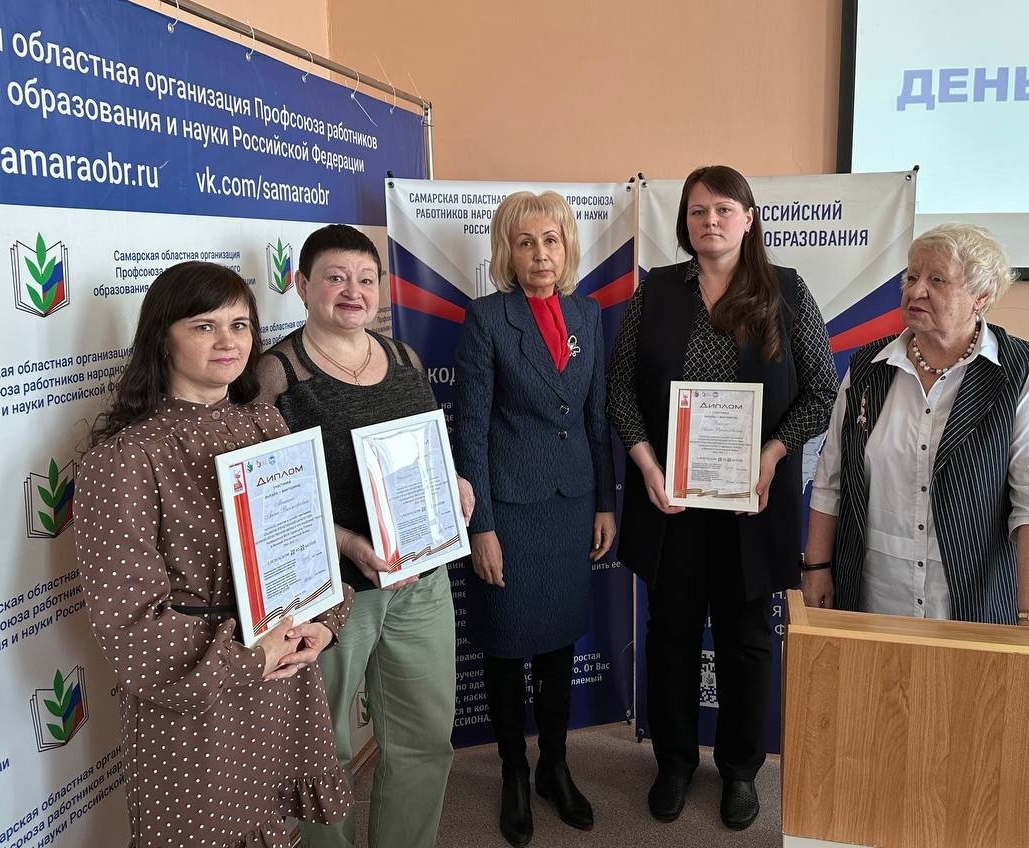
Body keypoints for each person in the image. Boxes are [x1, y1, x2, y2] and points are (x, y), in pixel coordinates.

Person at [76, 261, 353, 848]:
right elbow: (130, 626)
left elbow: (307, 545)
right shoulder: (125, 458)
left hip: (283, 676)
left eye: (240, 324)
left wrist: (325, 620)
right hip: (198, 702)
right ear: (162, 339)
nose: (228, 341)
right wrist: (250, 656)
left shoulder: (266, 422)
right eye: (204, 326)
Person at [606, 165, 838, 831]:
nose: (710, 221)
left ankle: (740, 770)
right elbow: (620, 386)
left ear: (749, 217)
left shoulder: (785, 290)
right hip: (670, 502)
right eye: (697, 210)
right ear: (684, 222)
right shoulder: (656, 291)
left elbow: (821, 389)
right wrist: (646, 462)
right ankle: (675, 763)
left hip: (751, 504)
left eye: (723, 209)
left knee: (746, 641)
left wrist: (772, 454)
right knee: (671, 636)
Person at [255, 224, 473, 848]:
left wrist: (453, 484)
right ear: (302, 286)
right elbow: (269, 501)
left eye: (366, 279)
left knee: (424, 738)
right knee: (323, 749)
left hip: (419, 582)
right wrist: (349, 543)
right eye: (335, 278)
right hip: (327, 594)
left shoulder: (403, 360)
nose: (353, 291)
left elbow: (424, 453)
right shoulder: (275, 375)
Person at [802, 223, 1029, 627]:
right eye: (911, 277)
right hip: (871, 601)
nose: (916, 291)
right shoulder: (867, 368)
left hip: (973, 608)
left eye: (937, 280)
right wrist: (816, 567)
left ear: (981, 296)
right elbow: (831, 479)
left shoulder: (1022, 370)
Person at [453, 191, 616, 848]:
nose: (540, 254)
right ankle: (514, 772)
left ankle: (555, 765)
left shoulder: (588, 314)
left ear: (566, 246)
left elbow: (596, 416)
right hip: (510, 510)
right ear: (507, 252)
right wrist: (481, 527)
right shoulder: (487, 318)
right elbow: (470, 428)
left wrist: (605, 502)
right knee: (504, 643)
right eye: (526, 243)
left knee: (557, 643)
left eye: (551, 240)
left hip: (571, 504)